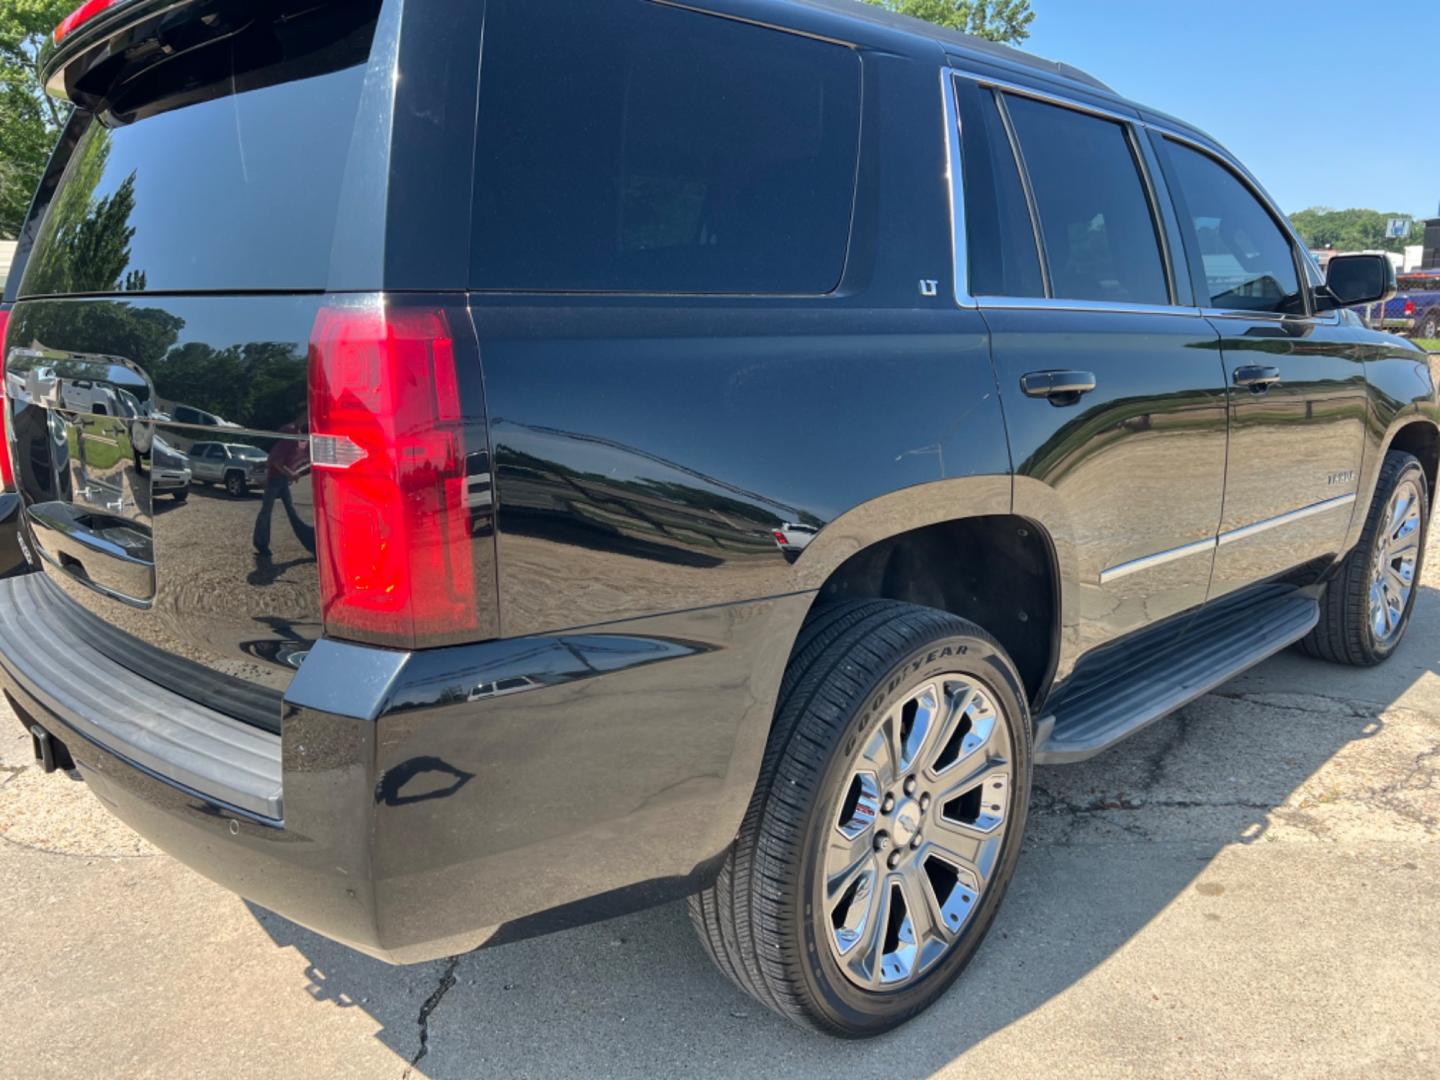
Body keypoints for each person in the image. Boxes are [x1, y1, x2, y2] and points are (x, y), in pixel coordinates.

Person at [253, 420, 315, 557]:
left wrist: (294, 473)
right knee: (266, 512)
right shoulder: (292, 433)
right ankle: (261, 544)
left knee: (286, 511)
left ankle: (311, 542)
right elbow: (275, 461)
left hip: (281, 480)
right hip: (275, 480)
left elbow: (302, 461)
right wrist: (291, 474)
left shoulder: (302, 437)